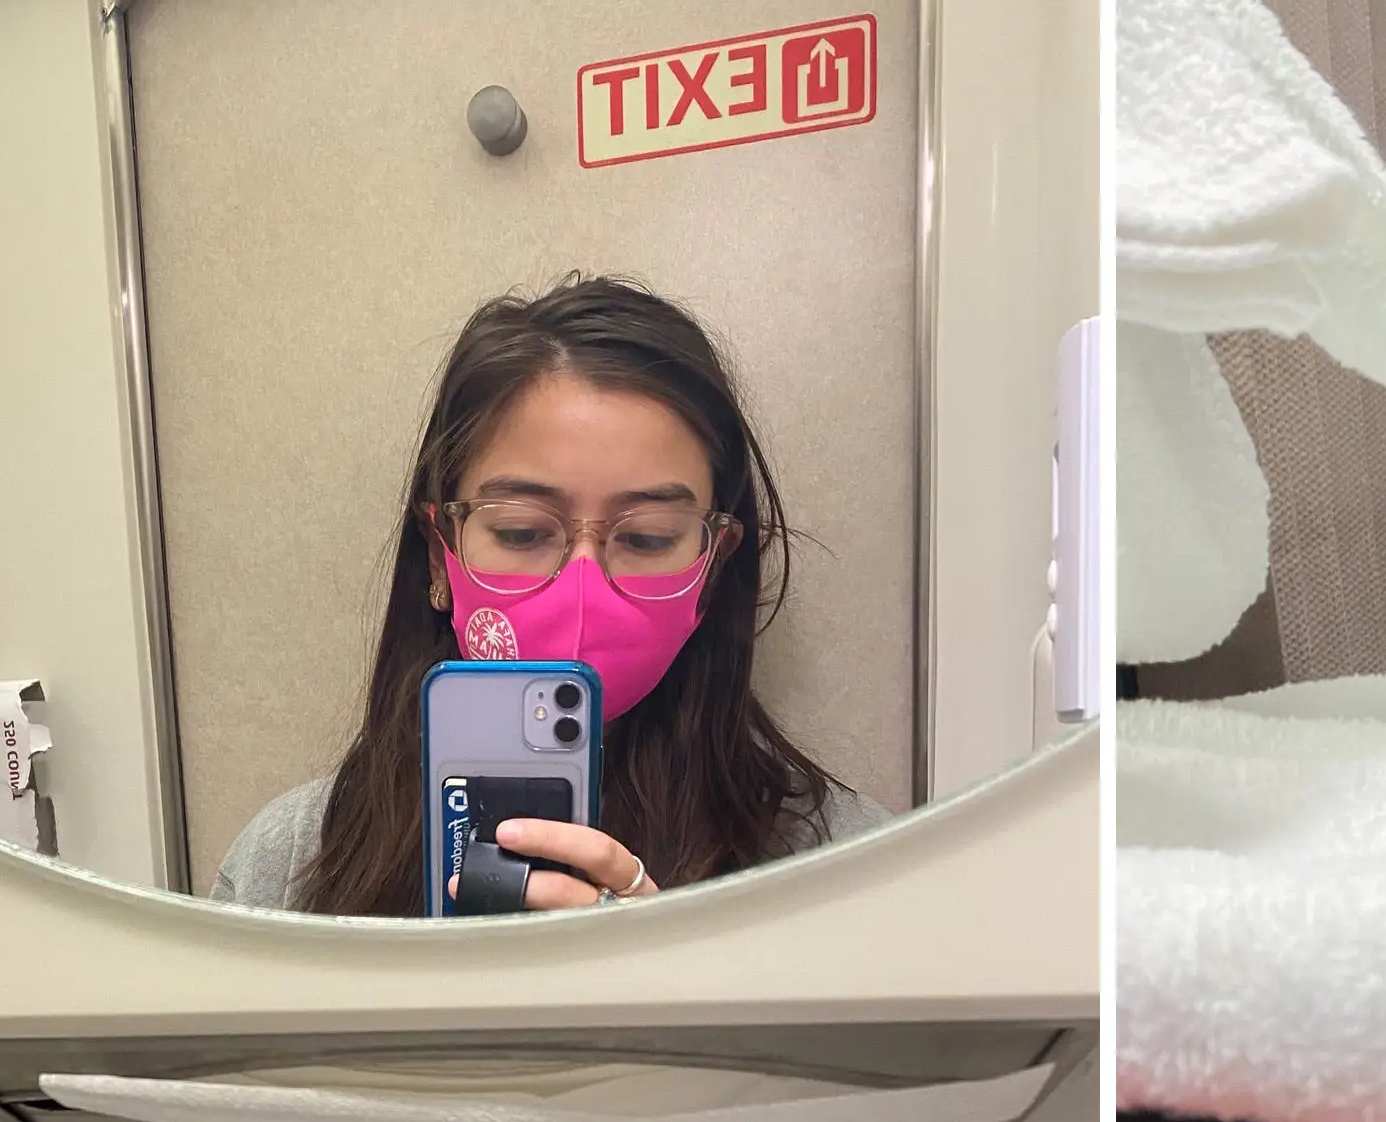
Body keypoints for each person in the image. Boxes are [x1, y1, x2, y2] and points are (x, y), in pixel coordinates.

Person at [213, 275, 887, 912]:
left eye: (649, 537)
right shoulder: (292, 859)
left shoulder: (850, 868)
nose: (582, 590)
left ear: (713, 565)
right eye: (521, 529)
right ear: (439, 560)